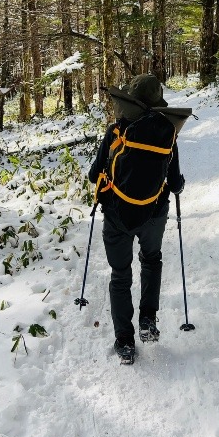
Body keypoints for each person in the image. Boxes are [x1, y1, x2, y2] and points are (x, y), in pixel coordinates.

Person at [88, 74, 185, 365]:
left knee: (120, 275)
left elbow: (94, 176)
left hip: (117, 214)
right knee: (151, 260)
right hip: (154, 213)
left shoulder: (115, 131)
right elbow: (175, 182)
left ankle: (124, 341)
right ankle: (148, 320)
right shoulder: (168, 132)